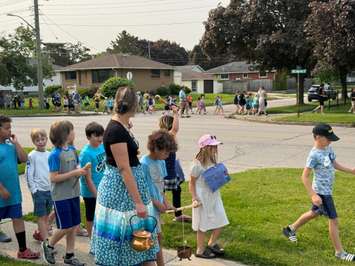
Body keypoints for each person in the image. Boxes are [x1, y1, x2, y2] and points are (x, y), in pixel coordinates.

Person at [91, 87, 159, 266]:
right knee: (125, 237)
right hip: (121, 193)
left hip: (129, 189)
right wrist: (138, 202)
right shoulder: (115, 131)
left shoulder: (121, 126)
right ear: (134, 105)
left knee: (140, 241)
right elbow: (123, 168)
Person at [283, 123, 355, 262]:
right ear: (317, 137)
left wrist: (351, 171)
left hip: (327, 190)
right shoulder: (314, 155)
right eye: (327, 138)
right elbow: (304, 176)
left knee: (314, 212)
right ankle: (339, 252)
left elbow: (334, 164)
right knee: (334, 220)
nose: (330, 140)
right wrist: (313, 195)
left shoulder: (328, 148)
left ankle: (290, 229)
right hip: (322, 193)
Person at [44, 120, 90, 265]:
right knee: (65, 226)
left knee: (74, 225)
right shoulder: (55, 155)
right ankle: (48, 245)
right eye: (72, 130)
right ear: (65, 134)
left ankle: (69, 255)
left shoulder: (72, 150)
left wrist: (80, 171)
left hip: (74, 193)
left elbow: (74, 169)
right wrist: (75, 172)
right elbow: (54, 177)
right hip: (61, 197)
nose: (74, 133)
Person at [0, 115, 40, 259]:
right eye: (7, 128)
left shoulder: (10, 146)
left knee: (17, 218)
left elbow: (24, 159)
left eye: (10, 127)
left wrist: (16, 144)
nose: (10, 131)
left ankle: (22, 250)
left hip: (14, 193)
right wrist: (1, 189)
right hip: (1, 192)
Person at [140, 130, 177, 266]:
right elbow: (140, 190)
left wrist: (166, 202)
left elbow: (160, 186)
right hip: (147, 209)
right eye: (166, 152)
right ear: (155, 148)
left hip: (156, 209)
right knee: (149, 240)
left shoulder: (161, 162)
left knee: (158, 238)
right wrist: (156, 203)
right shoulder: (143, 164)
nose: (168, 156)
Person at [189, 134, 229, 259]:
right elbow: (192, 183)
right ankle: (200, 250)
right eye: (213, 146)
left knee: (221, 219)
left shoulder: (212, 160)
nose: (216, 149)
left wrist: (222, 174)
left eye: (216, 146)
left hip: (214, 194)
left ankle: (212, 243)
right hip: (202, 197)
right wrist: (194, 198)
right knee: (203, 224)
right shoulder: (197, 164)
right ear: (205, 147)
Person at [159, 106, 191, 223]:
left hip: (162, 173)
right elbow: (175, 129)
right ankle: (175, 215)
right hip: (167, 173)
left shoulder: (159, 137)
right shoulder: (168, 137)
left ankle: (172, 216)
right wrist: (176, 113)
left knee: (164, 193)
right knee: (170, 192)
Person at [25, 129, 52, 244]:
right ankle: (46, 241)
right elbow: (28, 174)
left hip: (49, 190)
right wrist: (34, 190)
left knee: (46, 215)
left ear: (46, 139)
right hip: (39, 191)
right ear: (33, 141)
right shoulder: (32, 156)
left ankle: (41, 232)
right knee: (41, 216)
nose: (40, 142)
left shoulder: (49, 154)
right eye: (37, 140)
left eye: (43, 139)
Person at [79, 122, 106, 238]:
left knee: (102, 215)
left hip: (103, 187)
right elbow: (88, 179)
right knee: (91, 216)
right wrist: (97, 195)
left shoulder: (102, 146)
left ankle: (99, 237)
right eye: (97, 135)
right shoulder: (86, 154)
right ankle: (91, 239)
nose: (100, 138)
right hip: (91, 192)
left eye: (101, 135)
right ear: (89, 137)